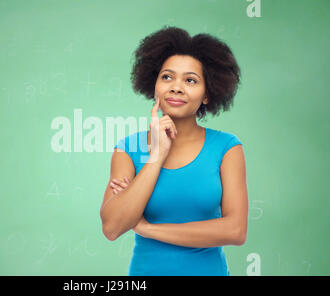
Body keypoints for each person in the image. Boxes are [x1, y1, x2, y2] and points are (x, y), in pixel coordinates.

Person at [99, 26, 248, 276]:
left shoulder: (227, 148)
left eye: (190, 80)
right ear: (154, 85)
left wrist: (148, 229)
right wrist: (156, 157)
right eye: (167, 77)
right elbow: (113, 228)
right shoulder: (128, 149)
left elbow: (235, 231)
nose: (176, 87)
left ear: (207, 95)